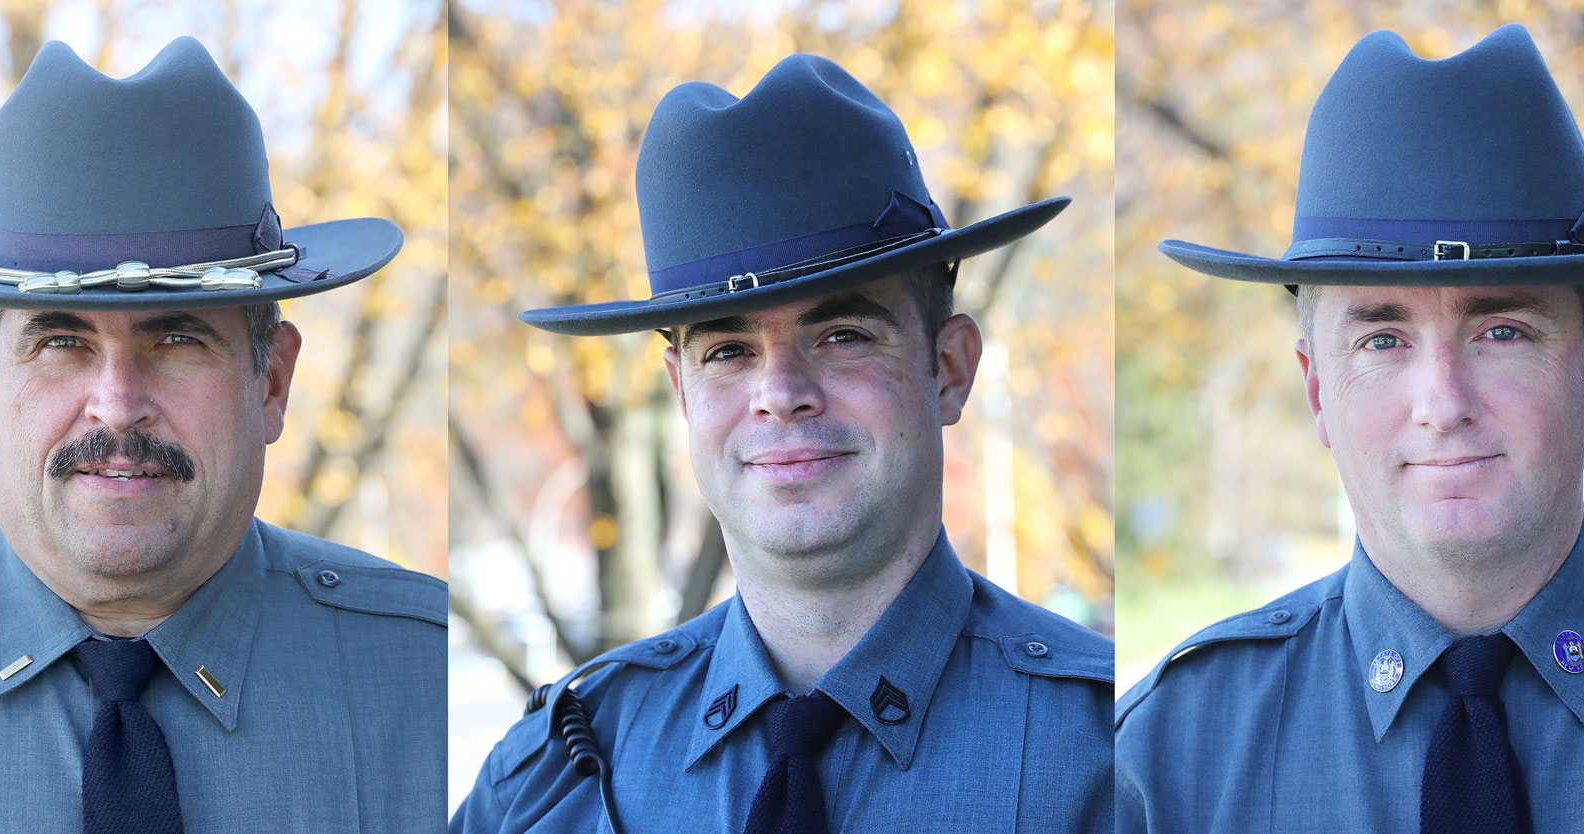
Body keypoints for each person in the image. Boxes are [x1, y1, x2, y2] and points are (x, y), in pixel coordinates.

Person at [1116, 25, 1584, 832]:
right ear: (1318, 390)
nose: (1443, 401)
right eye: (1382, 339)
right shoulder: (1169, 762)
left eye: (1502, 331)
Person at [0, 38, 447, 832]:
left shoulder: (430, 687)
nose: (117, 404)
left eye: (178, 339)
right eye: (62, 342)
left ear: (272, 383)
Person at [451, 54, 1116, 833]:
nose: (779, 393)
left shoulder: (1114, 761)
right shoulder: (554, 776)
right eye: (728, 352)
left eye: (841, 334)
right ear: (682, 394)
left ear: (947, 369)